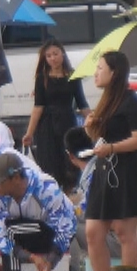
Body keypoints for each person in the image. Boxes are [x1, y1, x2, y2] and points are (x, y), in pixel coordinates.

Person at [82, 52, 137, 271]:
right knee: (93, 232)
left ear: (114, 73)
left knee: (125, 232)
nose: (96, 73)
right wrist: (90, 128)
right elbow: (100, 139)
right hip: (104, 170)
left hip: (126, 172)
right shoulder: (105, 101)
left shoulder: (133, 102)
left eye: (100, 68)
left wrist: (112, 148)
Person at [0, 152, 76, 271]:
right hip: (23, 233)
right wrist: (31, 257)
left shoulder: (45, 187)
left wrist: (52, 259)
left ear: (15, 178)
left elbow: (67, 226)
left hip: (49, 232)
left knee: (10, 230)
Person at [21, 41, 88, 190]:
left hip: (67, 121)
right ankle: (53, 191)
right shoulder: (42, 78)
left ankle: (70, 191)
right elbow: (38, 107)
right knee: (49, 161)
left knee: (69, 159)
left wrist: (92, 120)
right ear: (45, 59)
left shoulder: (73, 76)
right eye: (49, 56)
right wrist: (29, 133)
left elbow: (82, 103)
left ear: (62, 54)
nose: (53, 58)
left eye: (55, 54)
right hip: (47, 124)